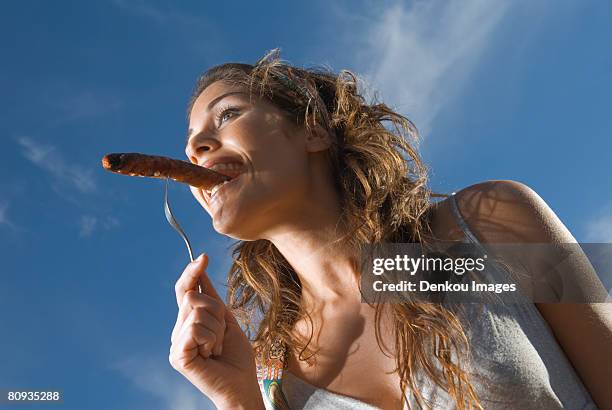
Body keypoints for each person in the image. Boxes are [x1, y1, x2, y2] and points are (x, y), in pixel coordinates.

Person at [168, 49, 612, 409]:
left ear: (313, 131)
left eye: (226, 115)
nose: (195, 147)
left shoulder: (488, 224)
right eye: (191, 143)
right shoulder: (272, 371)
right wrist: (238, 400)